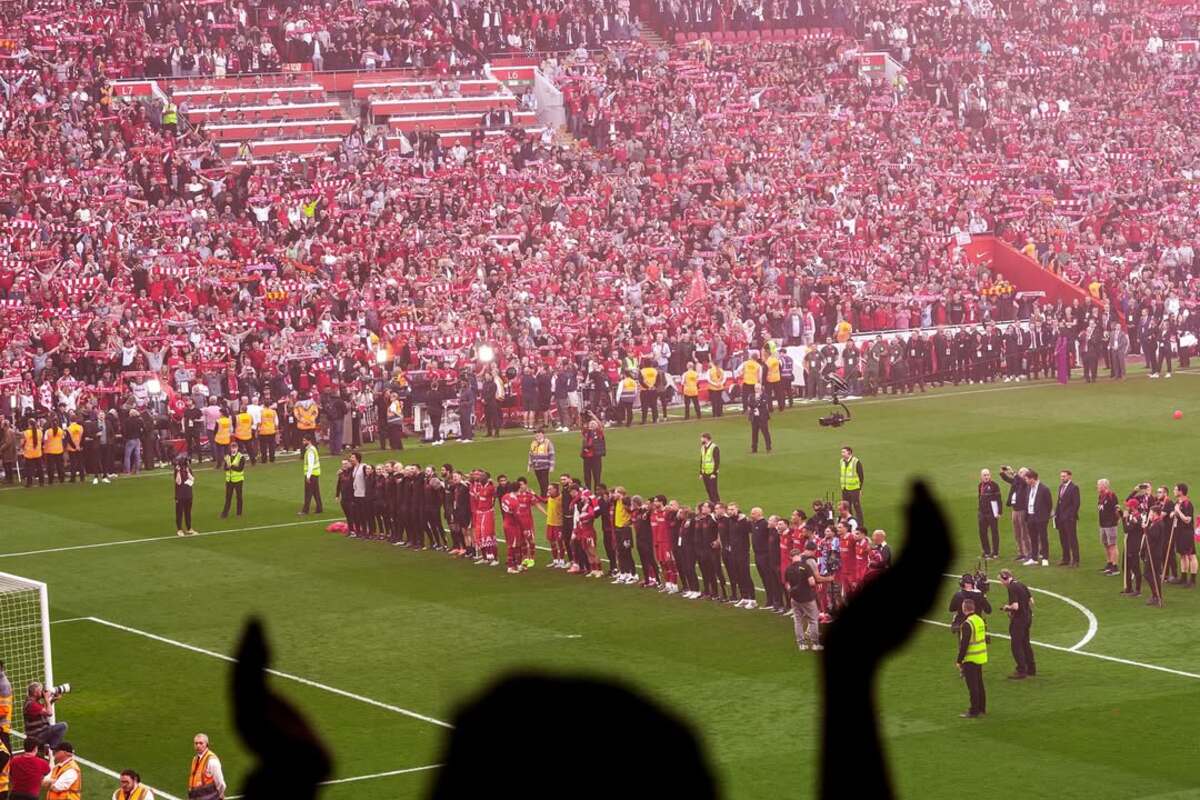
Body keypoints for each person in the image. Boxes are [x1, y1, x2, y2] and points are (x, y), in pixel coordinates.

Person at [998, 569, 1036, 679]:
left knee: (1016, 645)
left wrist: (1007, 608)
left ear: (1005, 578)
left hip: (1019, 620)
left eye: (1001, 580)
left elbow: (1015, 606)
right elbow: (1031, 600)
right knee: (1026, 643)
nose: (1001, 583)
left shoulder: (1011, 588)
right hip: (1027, 617)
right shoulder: (1021, 584)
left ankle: (1021, 670)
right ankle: (1031, 669)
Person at [784, 545, 822, 651]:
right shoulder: (805, 567)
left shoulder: (788, 569)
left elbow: (787, 586)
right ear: (799, 555)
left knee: (798, 620)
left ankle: (801, 644)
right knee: (813, 620)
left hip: (795, 599)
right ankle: (815, 644)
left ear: (791, 557)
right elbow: (812, 582)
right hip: (807, 598)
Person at [955, 598, 988, 718]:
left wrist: (959, 660)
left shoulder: (967, 624)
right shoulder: (979, 620)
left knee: (972, 686)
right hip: (980, 656)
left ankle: (974, 710)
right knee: (979, 683)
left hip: (971, 658)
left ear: (964, 609)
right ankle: (982, 708)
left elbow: (964, 644)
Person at [22, 682, 67, 749]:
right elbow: (49, 713)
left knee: (55, 731)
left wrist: (52, 700)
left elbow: (44, 710)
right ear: (35, 693)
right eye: (41, 690)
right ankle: (52, 749)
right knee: (62, 726)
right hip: (37, 735)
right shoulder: (31, 704)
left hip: (38, 733)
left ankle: (47, 748)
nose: (43, 692)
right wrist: (46, 698)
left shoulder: (33, 702)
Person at [1023, 469, 1052, 566]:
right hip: (1030, 516)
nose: (1026, 481)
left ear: (1032, 479)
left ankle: (1045, 558)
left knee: (1043, 538)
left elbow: (1049, 504)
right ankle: (1034, 558)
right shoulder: (1028, 488)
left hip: (1041, 518)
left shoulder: (1044, 489)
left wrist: (1045, 517)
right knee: (1033, 538)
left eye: (1027, 479)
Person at [1169, 482, 1196, 587]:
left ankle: (1192, 580)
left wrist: (1178, 512)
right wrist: (1173, 513)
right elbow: (1173, 514)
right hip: (1178, 532)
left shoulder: (1187, 504)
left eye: (1175, 489)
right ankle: (1183, 577)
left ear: (1181, 491)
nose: (1174, 491)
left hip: (1186, 533)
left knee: (1191, 556)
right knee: (1182, 555)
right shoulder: (1178, 503)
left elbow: (1187, 520)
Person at [1054, 469, 1081, 566]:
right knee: (1063, 539)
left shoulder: (1074, 488)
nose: (1062, 478)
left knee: (1072, 539)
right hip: (1061, 517)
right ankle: (1065, 558)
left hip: (1069, 519)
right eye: (1061, 476)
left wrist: (1071, 516)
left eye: (1064, 476)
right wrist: (1056, 514)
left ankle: (1076, 560)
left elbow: (1076, 504)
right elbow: (1059, 501)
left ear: (1070, 476)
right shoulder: (1061, 486)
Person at [189, 733, 225, 800]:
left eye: (201, 743)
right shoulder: (195, 759)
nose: (198, 745)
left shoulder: (212, 761)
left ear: (206, 744)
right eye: (196, 743)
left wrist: (219, 795)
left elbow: (220, 783)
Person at [1096, 478, 1120, 576]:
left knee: (1112, 545)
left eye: (1098, 485)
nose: (1097, 487)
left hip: (1110, 524)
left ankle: (1115, 566)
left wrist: (1116, 520)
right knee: (1106, 544)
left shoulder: (1111, 495)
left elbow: (1117, 509)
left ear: (1104, 486)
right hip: (1103, 524)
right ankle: (1109, 563)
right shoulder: (1101, 496)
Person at [977, 468, 1002, 559]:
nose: (986, 477)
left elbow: (999, 499)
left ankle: (995, 552)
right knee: (982, 532)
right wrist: (979, 510)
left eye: (988, 475)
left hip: (992, 513)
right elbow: (980, 498)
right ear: (981, 476)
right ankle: (986, 551)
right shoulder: (980, 485)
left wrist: (999, 512)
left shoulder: (994, 485)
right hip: (982, 513)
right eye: (984, 475)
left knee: (994, 532)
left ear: (990, 475)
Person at [219, 440, 246, 518]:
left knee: (239, 497)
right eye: (232, 448)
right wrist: (227, 468)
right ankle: (225, 513)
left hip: (238, 480)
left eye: (235, 448)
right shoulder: (227, 457)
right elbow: (225, 468)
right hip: (229, 480)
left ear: (237, 448)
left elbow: (240, 468)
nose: (233, 449)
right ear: (230, 448)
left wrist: (231, 467)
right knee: (228, 497)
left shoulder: (241, 457)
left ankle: (239, 513)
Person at [839, 446, 864, 526]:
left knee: (857, 507)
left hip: (854, 488)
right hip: (845, 488)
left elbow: (861, 476)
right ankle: (850, 523)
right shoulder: (841, 461)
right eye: (842, 452)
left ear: (849, 452)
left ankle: (860, 525)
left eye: (843, 452)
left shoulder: (856, 462)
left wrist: (860, 489)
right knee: (847, 507)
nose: (842, 454)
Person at [300, 434, 323, 515]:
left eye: (304, 440)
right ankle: (319, 508)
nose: (303, 442)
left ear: (309, 441)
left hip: (311, 474)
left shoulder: (310, 451)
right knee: (316, 492)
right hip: (315, 473)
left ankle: (305, 510)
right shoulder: (312, 449)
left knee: (308, 493)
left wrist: (308, 476)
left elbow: (310, 464)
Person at [527, 429, 555, 495]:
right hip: (536, 467)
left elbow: (552, 454)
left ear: (542, 434)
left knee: (545, 482)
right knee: (540, 482)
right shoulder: (533, 443)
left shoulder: (548, 442)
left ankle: (546, 495)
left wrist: (552, 466)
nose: (537, 435)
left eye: (538, 433)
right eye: (536, 433)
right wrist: (529, 465)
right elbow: (531, 454)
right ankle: (543, 494)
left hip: (545, 466)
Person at [580, 418, 605, 491]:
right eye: (591, 424)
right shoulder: (586, 433)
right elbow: (582, 426)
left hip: (596, 457)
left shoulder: (599, 433)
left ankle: (597, 492)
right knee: (587, 476)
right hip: (587, 457)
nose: (592, 425)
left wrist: (592, 415)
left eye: (594, 424)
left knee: (597, 476)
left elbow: (600, 425)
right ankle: (588, 492)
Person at [174, 456, 197, 536]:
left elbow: (192, 479)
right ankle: (179, 529)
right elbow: (178, 482)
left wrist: (188, 472)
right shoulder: (177, 471)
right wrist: (178, 472)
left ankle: (189, 528)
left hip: (188, 494)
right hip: (180, 495)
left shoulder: (188, 469)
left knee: (188, 512)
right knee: (179, 513)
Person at [748, 384, 772, 453]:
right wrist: (757, 404)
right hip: (754, 417)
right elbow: (750, 403)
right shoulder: (751, 396)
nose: (756, 389)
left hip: (762, 417)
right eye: (755, 388)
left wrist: (756, 403)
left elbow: (763, 404)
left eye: (758, 388)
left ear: (761, 388)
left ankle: (768, 447)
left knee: (765, 432)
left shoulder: (765, 396)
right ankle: (754, 449)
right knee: (754, 433)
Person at [699, 432, 720, 503]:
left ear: (706, 438)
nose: (701, 440)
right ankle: (712, 503)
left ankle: (717, 504)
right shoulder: (703, 448)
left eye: (702, 438)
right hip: (705, 472)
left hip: (712, 473)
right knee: (708, 490)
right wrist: (701, 473)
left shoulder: (714, 447)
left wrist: (714, 473)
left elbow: (717, 461)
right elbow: (702, 460)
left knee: (713, 490)